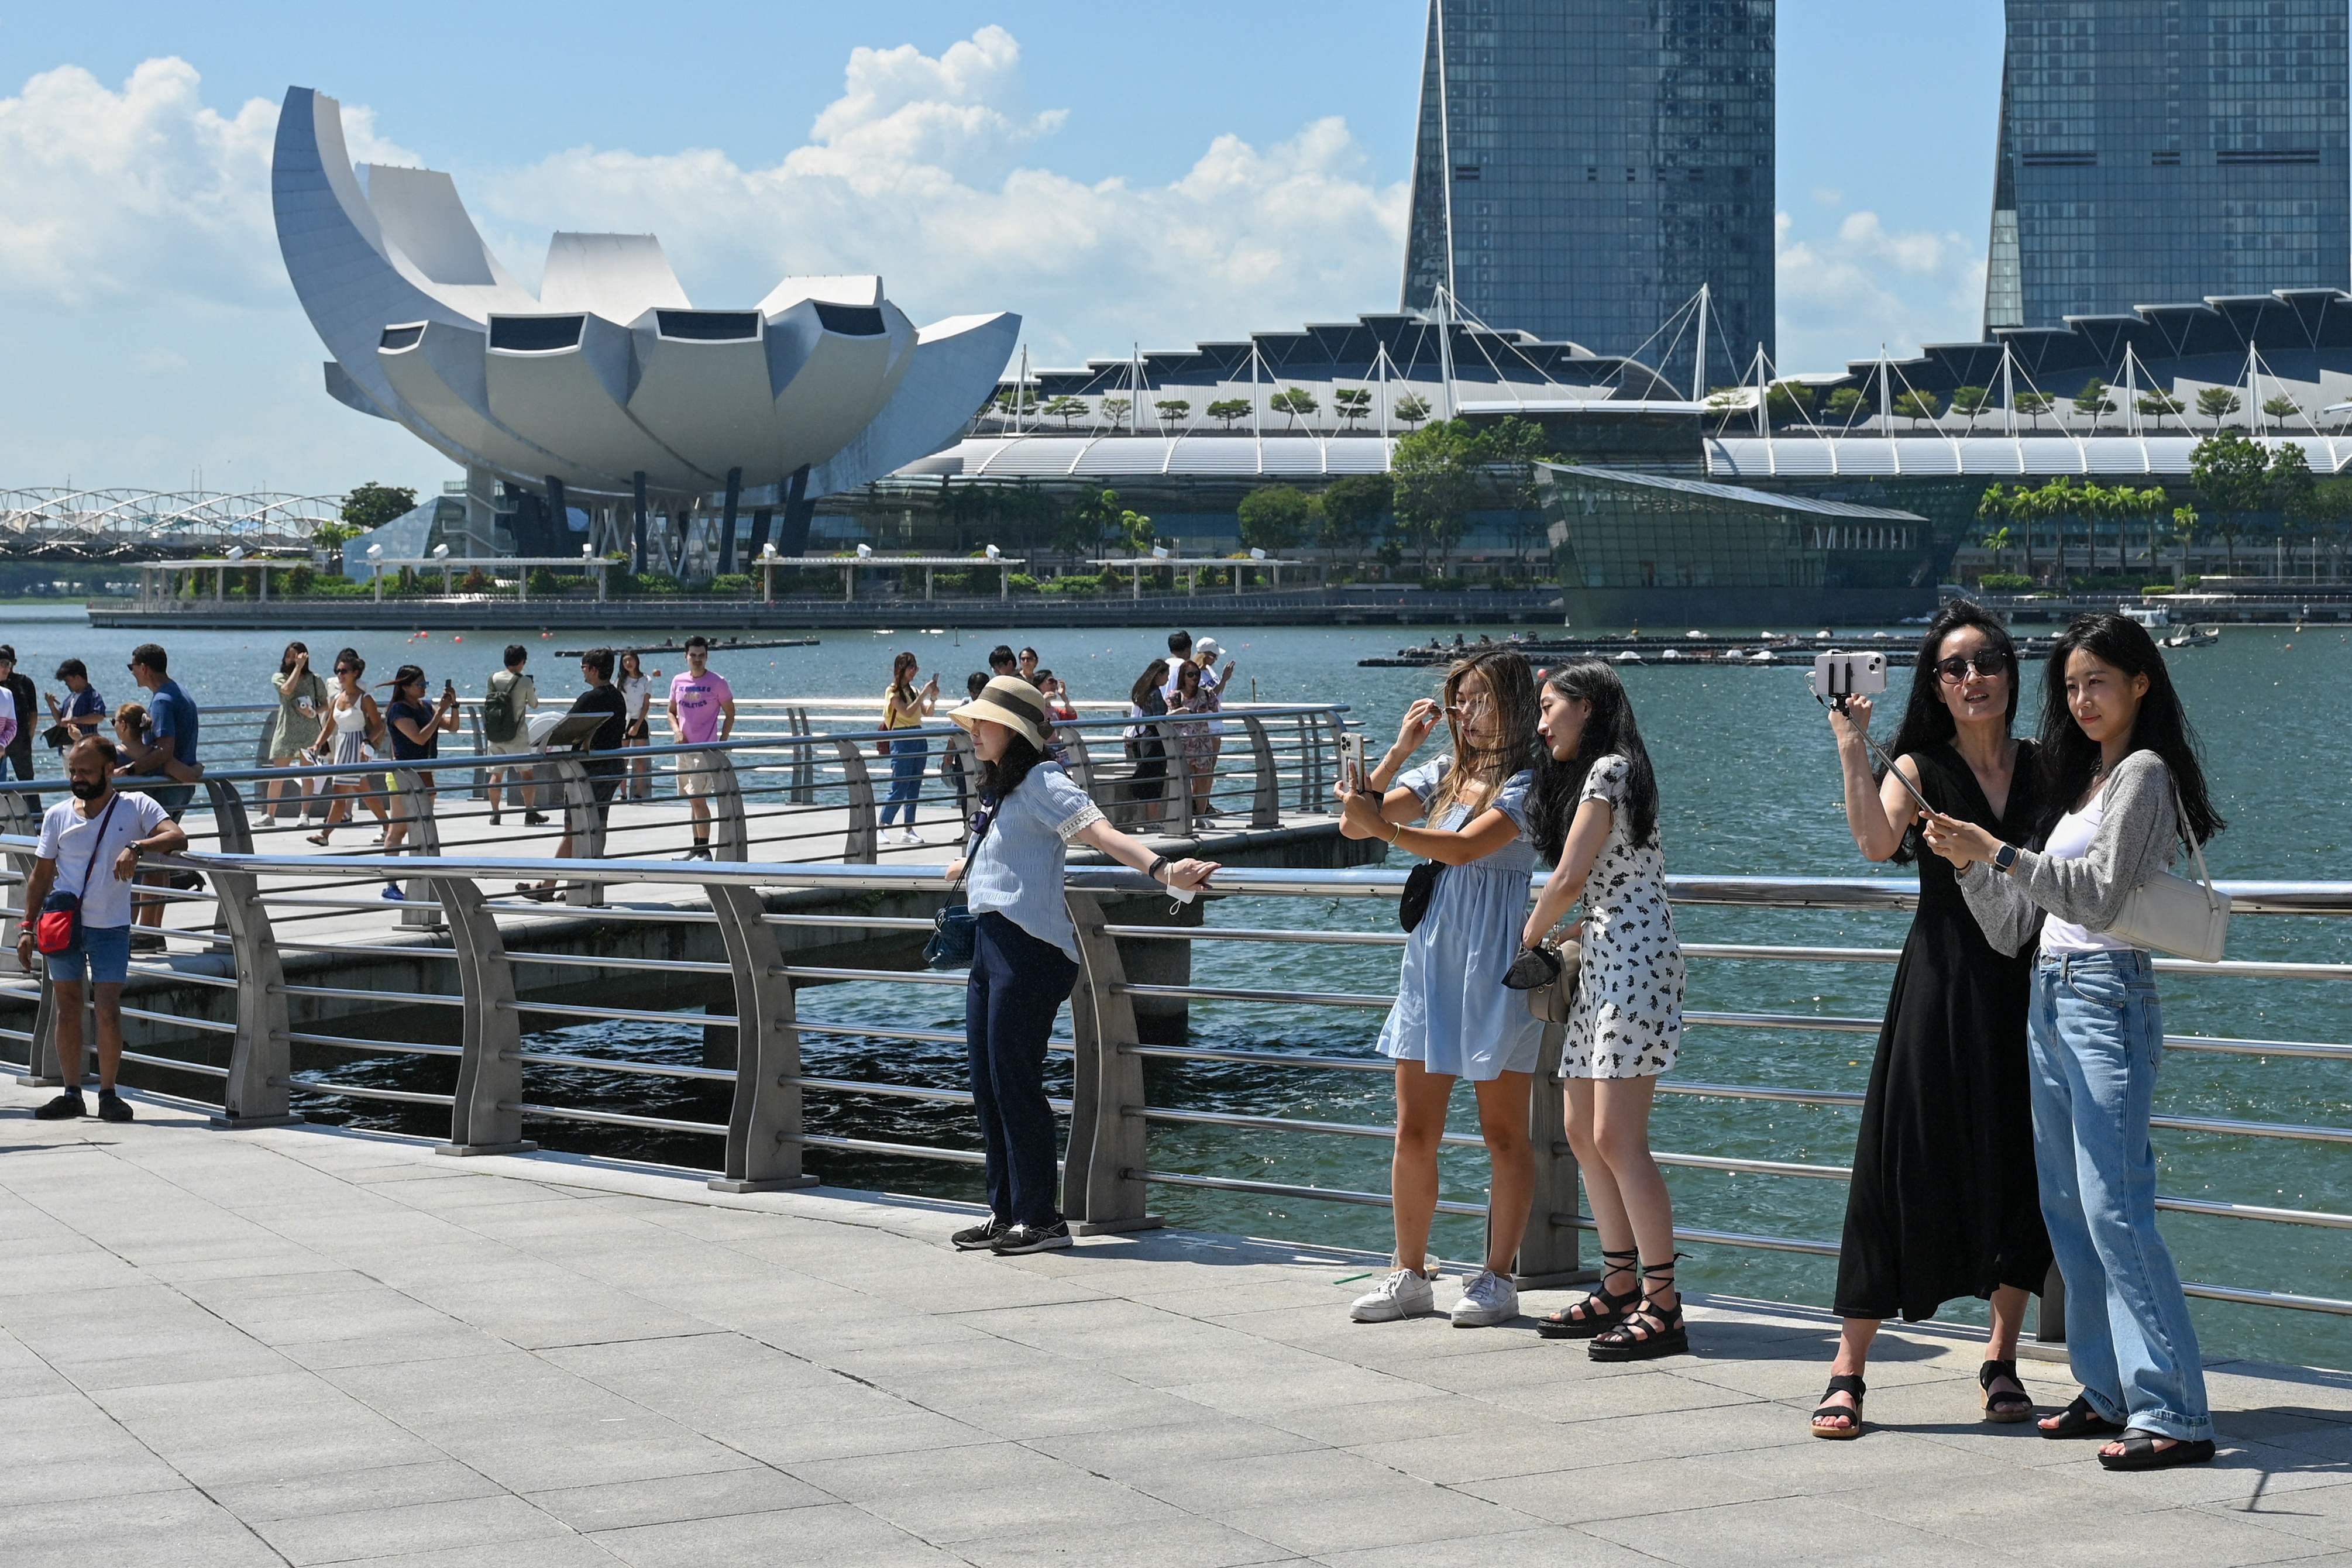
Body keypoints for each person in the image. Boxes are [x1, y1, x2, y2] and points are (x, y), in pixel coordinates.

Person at [1924, 612, 2225, 1472]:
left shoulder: (2143, 776)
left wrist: (2003, 851)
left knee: (2115, 1208)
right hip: (2050, 1000)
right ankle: (2107, 1393)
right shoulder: (2084, 783)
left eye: (2098, 681)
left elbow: (2094, 898)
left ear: (2141, 684)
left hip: (2105, 1000)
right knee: (2068, 1212)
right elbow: (2015, 926)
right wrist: (1970, 863)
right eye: (2070, 685)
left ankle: (2175, 1411)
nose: (2081, 698)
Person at [1809, 603, 2050, 1439]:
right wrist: (1849, 742)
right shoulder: (1917, 764)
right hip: (1941, 982)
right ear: (1936, 686)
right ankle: (1848, 1369)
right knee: (1900, 1154)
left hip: (2027, 983)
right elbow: (1876, 843)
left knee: (2021, 1163)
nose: (1973, 678)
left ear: (2013, 672)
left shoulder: (2047, 767)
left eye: (1987, 661)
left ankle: (2003, 1357)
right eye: (1955, 668)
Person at [943, 676, 1217, 1254]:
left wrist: (1162, 871)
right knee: (988, 1085)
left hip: (1030, 948)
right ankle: (1007, 1209)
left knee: (1016, 1083)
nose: (974, 733)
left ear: (1013, 729)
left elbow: (1101, 832)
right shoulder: (1001, 783)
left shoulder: (1044, 778)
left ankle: (1042, 1217)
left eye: (983, 723)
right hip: (992, 944)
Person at [1335, 649, 1544, 1328]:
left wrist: (1386, 829)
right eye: (1460, 700)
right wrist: (1397, 750)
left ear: (1511, 703)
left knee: (1503, 1130)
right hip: (1434, 958)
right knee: (1414, 1125)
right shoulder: (1446, 772)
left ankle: (1498, 1275)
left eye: (1479, 699)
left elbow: (1463, 849)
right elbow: (1351, 822)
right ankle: (1410, 1270)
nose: (1465, 713)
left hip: (1497, 958)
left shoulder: (1533, 779)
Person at [1515, 660, 1689, 1358]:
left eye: (1551, 706)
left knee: (1617, 1136)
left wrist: (1528, 936)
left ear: (1586, 707)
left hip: (1636, 956)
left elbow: (1570, 874)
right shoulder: (1605, 771)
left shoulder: (1610, 769)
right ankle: (1620, 1282)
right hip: (1609, 949)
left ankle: (1664, 1301)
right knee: (1581, 1129)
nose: (1542, 721)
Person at [16, 735, 187, 1122]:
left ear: (110, 771)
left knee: (108, 1008)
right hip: (64, 925)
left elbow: (177, 836)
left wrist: (138, 846)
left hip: (111, 925)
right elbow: (41, 877)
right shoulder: (58, 814)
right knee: (68, 1007)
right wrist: (27, 926)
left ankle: (108, 1093)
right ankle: (71, 1091)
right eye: (73, 771)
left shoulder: (136, 806)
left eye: (86, 771)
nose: (77, 778)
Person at [524, 648, 629, 898]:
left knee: (573, 829)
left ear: (593, 669)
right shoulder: (618, 697)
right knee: (598, 827)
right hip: (612, 767)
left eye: (584, 667)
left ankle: (547, 886)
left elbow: (567, 729)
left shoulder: (589, 699)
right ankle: (583, 883)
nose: (582, 671)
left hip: (587, 772)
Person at [122, 644, 202, 947]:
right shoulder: (180, 692)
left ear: (144, 668)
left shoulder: (162, 701)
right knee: (160, 860)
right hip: (180, 787)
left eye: (132, 667)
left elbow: (164, 750)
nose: (132, 673)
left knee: (151, 859)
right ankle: (152, 932)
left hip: (165, 791)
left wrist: (129, 771)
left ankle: (146, 933)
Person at [378, 665, 460, 883]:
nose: (424, 688)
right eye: (420, 684)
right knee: (398, 831)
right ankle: (391, 883)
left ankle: (421, 880)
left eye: (426, 684)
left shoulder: (425, 706)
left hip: (425, 774)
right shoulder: (398, 710)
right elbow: (420, 738)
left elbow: (452, 727)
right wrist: (440, 712)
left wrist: (454, 706)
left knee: (423, 828)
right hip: (403, 774)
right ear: (405, 686)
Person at [307, 649, 386, 847]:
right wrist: (317, 744)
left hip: (357, 745)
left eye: (344, 671)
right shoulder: (337, 699)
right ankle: (388, 827)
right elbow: (329, 726)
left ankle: (325, 834)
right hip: (342, 746)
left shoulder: (364, 699)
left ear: (355, 673)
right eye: (338, 671)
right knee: (362, 791)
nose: (340, 675)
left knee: (341, 792)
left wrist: (368, 742)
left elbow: (379, 725)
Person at [668, 635, 736, 861]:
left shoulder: (718, 682)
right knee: (692, 800)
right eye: (693, 656)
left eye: (701, 656)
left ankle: (704, 851)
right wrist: (677, 731)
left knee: (698, 799)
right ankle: (696, 848)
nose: (697, 660)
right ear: (686, 657)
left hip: (706, 749)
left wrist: (723, 741)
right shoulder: (678, 681)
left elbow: (730, 713)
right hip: (683, 750)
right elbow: (671, 711)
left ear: (707, 657)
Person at [879, 651, 939, 845]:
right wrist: (924, 693)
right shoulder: (893, 691)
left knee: (914, 785)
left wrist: (933, 699)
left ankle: (908, 828)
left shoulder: (912, 690)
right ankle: (882, 825)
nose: (914, 671)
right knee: (900, 785)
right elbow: (906, 711)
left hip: (918, 737)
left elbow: (926, 713)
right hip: (902, 738)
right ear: (901, 669)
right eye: (911, 667)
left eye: (916, 667)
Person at [482, 645, 544, 828]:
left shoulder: (493, 678)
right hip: (517, 735)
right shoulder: (524, 681)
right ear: (522, 662)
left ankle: (495, 814)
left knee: (496, 775)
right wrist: (533, 690)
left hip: (495, 734)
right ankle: (529, 812)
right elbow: (534, 704)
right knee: (527, 775)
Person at [267, 643, 329, 823]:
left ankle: (304, 814)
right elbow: (287, 690)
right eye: (289, 656)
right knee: (277, 774)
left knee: (307, 774)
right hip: (286, 731)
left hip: (309, 731)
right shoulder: (279, 677)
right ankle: (270, 814)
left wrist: (314, 712)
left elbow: (325, 704)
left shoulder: (314, 679)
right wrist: (298, 668)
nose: (292, 660)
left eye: (297, 656)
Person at [1168, 660, 1218, 825]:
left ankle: (1201, 816)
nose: (1195, 678)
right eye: (1190, 675)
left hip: (1203, 742)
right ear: (1183, 676)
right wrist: (1182, 711)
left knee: (1203, 781)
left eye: (1197, 674)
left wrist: (1208, 711)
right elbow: (1168, 717)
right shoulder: (1175, 696)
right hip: (1183, 744)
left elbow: (1216, 710)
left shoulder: (1206, 693)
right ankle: (1186, 816)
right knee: (1185, 781)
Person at [1122, 661, 1171, 826]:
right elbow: (1160, 718)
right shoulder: (1155, 694)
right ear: (1159, 675)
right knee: (1155, 781)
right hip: (1156, 740)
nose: (1168, 678)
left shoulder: (1145, 691)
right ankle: (1153, 820)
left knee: (1150, 778)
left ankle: (1151, 820)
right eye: (1166, 675)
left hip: (1146, 738)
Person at [44, 660, 106, 761]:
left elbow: (99, 716)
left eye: (68, 680)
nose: (66, 684)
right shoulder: (70, 697)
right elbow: (60, 721)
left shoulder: (93, 696)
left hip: (84, 748)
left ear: (78, 677)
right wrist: (51, 705)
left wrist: (73, 721)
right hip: (67, 749)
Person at [617, 649, 655, 802]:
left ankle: (639, 793)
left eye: (631, 660)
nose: (628, 663)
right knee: (622, 759)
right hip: (624, 720)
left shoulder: (646, 680)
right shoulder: (621, 680)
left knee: (640, 760)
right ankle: (623, 794)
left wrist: (638, 725)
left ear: (636, 661)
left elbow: (646, 705)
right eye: (625, 661)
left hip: (639, 720)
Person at [0, 645, 37, 788]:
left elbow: (12, 725)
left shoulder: (9, 692)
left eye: (8, 664)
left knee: (26, 783)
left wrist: (2, 744)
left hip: (16, 743)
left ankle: (35, 811)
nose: (7, 669)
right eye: (3, 664)